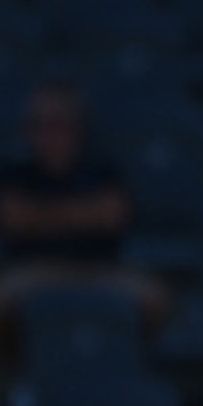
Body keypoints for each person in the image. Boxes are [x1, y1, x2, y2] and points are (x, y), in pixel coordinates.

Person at [0, 82, 168, 367]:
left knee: (157, 300)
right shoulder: (16, 172)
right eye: (41, 125)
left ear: (77, 129)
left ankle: (126, 371)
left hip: (99, 269)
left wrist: (41, 216)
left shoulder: (101, 169)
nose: (50, 134)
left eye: (59, 124)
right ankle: (21, 379)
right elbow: (14, 218)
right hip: (35, 269)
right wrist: (84, 213)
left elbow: (113, 215)